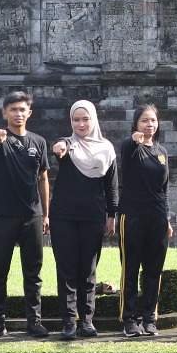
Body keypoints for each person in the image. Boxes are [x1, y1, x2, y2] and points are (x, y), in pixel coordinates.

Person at [48, 100, 118, 340]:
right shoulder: (69, 145)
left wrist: (112, 214)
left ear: (93, 119)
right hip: (63, 216)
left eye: (85, 119)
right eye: (76, 120)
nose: (81, 124)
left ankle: (86, 320)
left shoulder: (106, 149)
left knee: (88, 270)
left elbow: (111, 186)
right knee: (66, 269)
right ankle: (69, 321)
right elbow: (61, 146)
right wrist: (60, 147)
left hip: (93, 216)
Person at [0, 91, 51, 339]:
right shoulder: (1, 138)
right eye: (13, 109)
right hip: (3, 216)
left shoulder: (39, 142)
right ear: (5, 113)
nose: (18, 113)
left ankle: (34, 322)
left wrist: (46, 214)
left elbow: (43, 177)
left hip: (32, 215)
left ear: (29, 113)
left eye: (22, 109)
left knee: (33, 273)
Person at [117, 103, 173, 337]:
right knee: (130, 268)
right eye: (144, 120)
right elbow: (128, 150)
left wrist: (167, 219)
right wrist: (135, 140)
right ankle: (129, 319)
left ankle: (150, 318)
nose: (149, 124)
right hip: (132, 216)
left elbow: (164, 189)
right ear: (136, 124)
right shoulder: (130, 147)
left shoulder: (162, 152)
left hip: (157, 217)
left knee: (154, 270)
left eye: (153, 120)